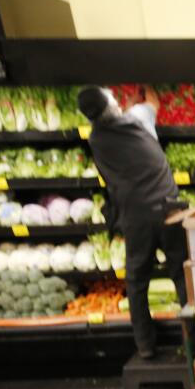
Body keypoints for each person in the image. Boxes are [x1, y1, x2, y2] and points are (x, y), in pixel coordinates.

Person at [77, 85, 187, 359]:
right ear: (111, 105)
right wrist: (143, 84)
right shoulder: (138, 117)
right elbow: (153, 100)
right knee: (183, 276)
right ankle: (194, 341)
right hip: (169, 209)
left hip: (135, 216)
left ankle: (146, 345)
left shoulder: (96, 139)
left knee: (137, 282)